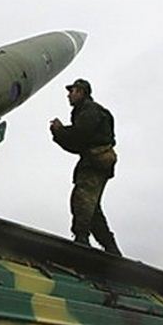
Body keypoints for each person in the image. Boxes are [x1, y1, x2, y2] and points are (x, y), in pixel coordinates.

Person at [50, 78, 122, 255]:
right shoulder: (85, 111)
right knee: (92, 207)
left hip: (95, 162)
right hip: (93, 161)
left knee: (82, 199)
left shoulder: (90, 111)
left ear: (81, 92)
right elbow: (77, 144)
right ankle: (110, 248)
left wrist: (60, 131)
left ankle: (81, 240)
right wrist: (59, 134)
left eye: (72, 91)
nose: (69, 95)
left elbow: (80, 136)